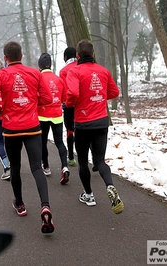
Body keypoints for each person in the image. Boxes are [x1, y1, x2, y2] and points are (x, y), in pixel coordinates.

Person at [0, 41, 54, 234]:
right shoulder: (34, 73)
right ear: (22, 56)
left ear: (5, 58)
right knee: (36, 167)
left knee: (15, 167)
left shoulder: (0, 74)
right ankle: (45, 206)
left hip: (10, 128)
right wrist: (33, 104)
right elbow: (48, 98)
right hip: (32, 127)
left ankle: (21, 204)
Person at [66, 39, 124, 214]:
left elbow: (73, 93)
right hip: (101, 121)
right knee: (100, 161)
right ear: (93, 54)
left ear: (77, 55)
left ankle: (89, 195)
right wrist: (97, 97)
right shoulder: (103, 71)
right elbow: (114, 92)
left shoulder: (74, 71)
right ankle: (110, 186)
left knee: (83, 161)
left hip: (83, 123)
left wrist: (70, 104)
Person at [37, 52, 70, 185]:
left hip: (42, 115)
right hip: (57, 115)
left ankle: (46, 167)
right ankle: (64, 166)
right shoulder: (59, 79)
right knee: (59, 142)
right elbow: (64, 98)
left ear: (39, 66)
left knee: (43, 142)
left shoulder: (38, 78)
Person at [59, 47, 78, 167]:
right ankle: (94, 159)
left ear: (65, 57)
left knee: (70, 130)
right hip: (83, 104)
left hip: (69, 104)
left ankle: (71, 157)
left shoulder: (64, 71)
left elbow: (62, 89)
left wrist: (63, 103)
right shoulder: (81, 67)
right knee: (85, 130)